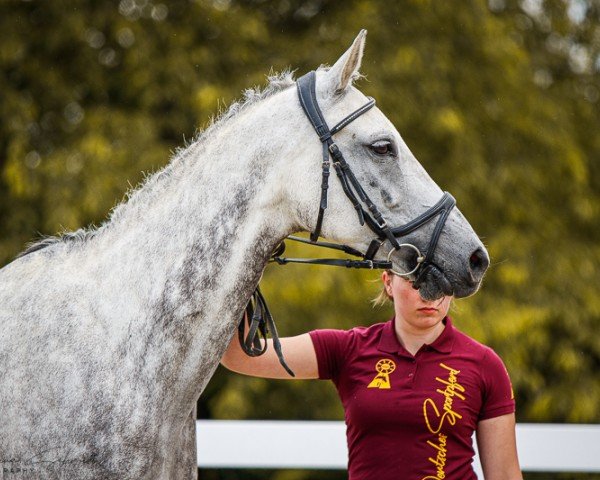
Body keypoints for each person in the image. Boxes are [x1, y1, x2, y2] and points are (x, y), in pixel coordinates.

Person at [221, 270, 522, 480]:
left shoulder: (484, 364)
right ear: (388, 282)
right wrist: (246, 268)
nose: (430, 293)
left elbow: (506, 476)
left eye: (441, 279)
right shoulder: (348, 349)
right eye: (417, 280)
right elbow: (239, 354)